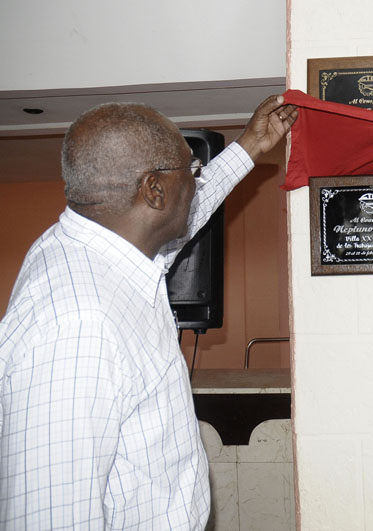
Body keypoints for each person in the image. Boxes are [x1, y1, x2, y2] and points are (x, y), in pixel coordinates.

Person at [0, 95, 297, 529]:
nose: (196, 180)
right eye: (191, 169)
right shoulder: (77, 327)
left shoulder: (106, 249)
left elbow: (193, 210)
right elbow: (51, 518)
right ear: (154, 190)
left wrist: (251, 145)